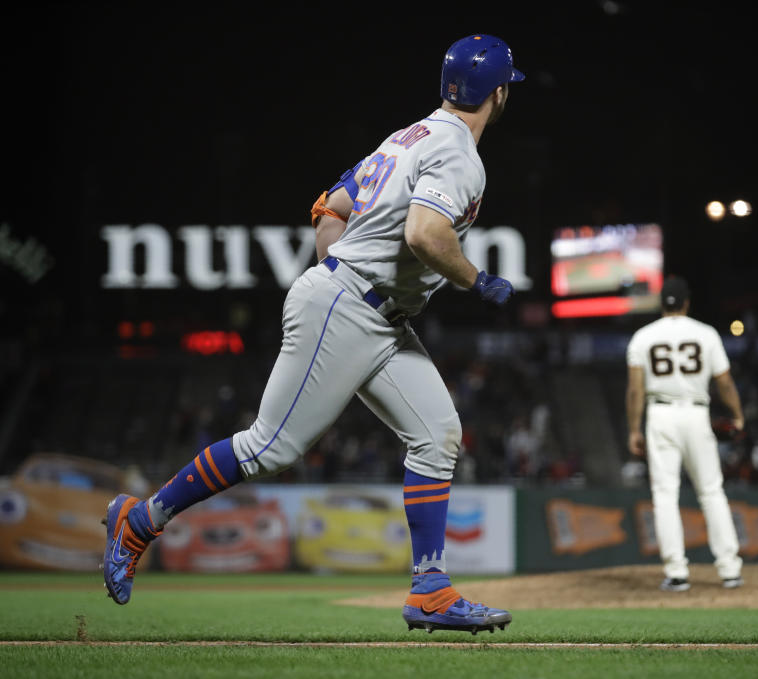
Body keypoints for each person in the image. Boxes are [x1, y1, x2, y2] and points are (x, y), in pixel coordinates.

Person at [102, 34, 524, 634]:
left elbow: (330, 206)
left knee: (437, 434)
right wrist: (475, 281)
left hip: (372, 312)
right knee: (269, 447)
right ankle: (139, 521)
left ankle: (430, 589)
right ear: (499, 93)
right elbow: (426, 235)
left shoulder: (407, 136)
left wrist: (339, 265)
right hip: (349, 306)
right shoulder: (458, 152)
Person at [625, 276, 745, 591]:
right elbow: (725, 383)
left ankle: (677, 572)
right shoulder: (705, 334)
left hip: (660, 414)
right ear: (687, 302)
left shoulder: (642, 337)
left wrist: (633, 429)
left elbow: (635, 391)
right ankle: (730, 569)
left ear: (661, 303)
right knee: (711, 491)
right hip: (696, 413)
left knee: (665, 495)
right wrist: (737, 415)